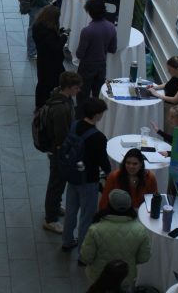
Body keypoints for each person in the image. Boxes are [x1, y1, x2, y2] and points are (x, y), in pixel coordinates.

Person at [62, 99, 112, 254]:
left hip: (72, 176)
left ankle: (67, 241)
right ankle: (83, 254)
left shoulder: (75, 124)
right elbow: (102, 161)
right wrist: (109, 172)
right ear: (97, 114)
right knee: (86, 216)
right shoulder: (98, 137)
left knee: (71, 211)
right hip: (89, 180)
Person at [80, 189, 151, 285]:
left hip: (99, 277)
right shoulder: (140, 230)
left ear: (109, 205)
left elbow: (86, 257)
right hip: (125, 277)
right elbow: (144, 258)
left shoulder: (95, 229)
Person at [42, 71, 83, 234]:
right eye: (76, 88)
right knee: (56, 183)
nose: (79, 91)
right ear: (69, 88)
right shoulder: (60, 108)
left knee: (58, 183)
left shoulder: (60, 97)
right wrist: (65, 151)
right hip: (59, 152)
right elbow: (60, 135)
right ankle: (50, 219)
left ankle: (55, 206)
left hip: (58, 150)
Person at [76, 0, 117, 116]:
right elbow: (112, 49)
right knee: (98, 93)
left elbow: (80, 54)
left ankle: (81, 117)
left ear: (90, 12)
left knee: (82, 94)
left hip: (87, 66)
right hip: (101, 65)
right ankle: (95, 116)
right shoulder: (111, 27)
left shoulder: (87, 31)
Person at [32, 5, 67, 109]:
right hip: (52, 63)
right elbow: (55, 47)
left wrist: (59, 33)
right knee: (51, 84)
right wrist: (63, 37)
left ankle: (39, 105)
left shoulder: (37, 26)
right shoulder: (48, 34)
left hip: (42, 61)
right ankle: (50, 104)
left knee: (42, 83)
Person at [147, 55, 178, 133]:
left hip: (171, 108)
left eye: (170, 70)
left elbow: (175, 100)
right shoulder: (176, 75)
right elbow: (167, 84)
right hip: (165, 104)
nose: (168, 72)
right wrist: (154, 87)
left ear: (177, 69)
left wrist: (157, 95)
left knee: (167, 129)